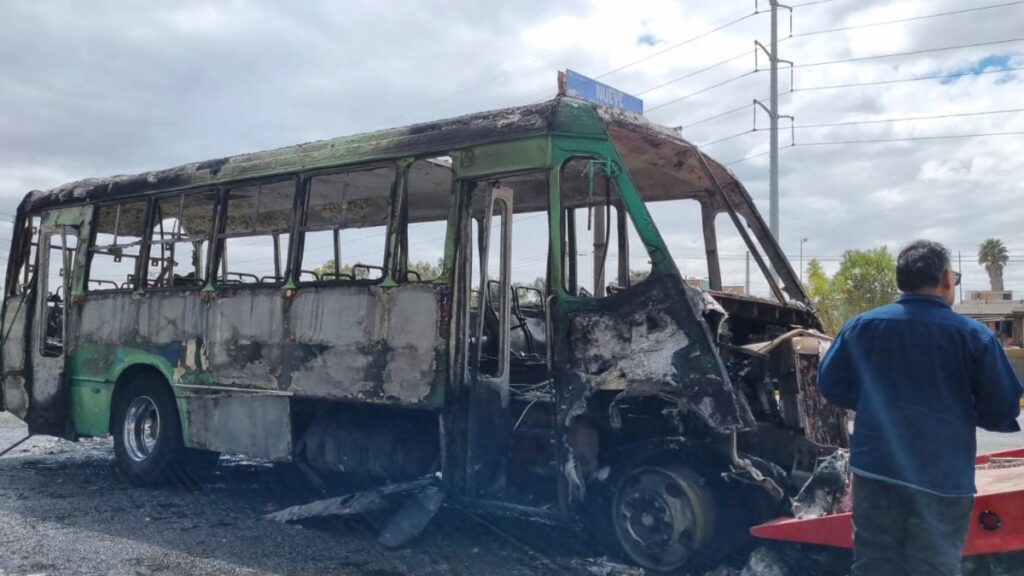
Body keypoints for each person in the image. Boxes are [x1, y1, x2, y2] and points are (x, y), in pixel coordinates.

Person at [817, 239, 1023, 576]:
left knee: (873, 565)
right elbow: (1003, 407)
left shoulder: (861, 327)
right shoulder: (974, 336)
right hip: (941, 479)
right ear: (945, 279)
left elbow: (829, 385)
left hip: (876, 471)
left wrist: (873, 405)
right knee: (935, 567)